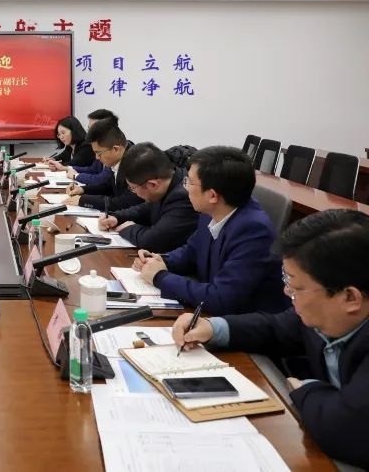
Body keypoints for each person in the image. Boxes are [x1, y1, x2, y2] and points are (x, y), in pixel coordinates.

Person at [171, 209, 369, 470]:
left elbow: (346, 430)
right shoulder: (326, 312)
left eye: (296, 287)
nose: (287, 292)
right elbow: (276, 327)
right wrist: (212, 327)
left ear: (350, 298)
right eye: (286, 280)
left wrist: (306, 390)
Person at [134, 146, 289, 315]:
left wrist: (159, 277)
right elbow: (192, 251)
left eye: (189, 182)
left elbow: (222, 298)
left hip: (245, 322)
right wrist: (161, 261)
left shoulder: (254, 231)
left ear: (213, 196)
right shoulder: (212, 211)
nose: (185, 187)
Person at [99, 142, 198, 253]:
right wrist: (117, 217)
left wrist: (127, 229)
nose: (133, 192)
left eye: (132, 188)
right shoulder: (169, 179)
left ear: (152, 185)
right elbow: (147, 207)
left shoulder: (184, 196)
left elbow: (153, 241)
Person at [64, 116, 142, 211]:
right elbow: (109, 187)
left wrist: (84, 200)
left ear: (115, 149)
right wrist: (83, 189)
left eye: (98, 153)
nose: (97, 158)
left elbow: (125, 202)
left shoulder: (137, 164)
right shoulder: (119, 157)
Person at [61, 109, 116, 187]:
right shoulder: (101, 147)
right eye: (89, 128)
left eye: (93, 129)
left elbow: (102, 180)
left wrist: (76, 176)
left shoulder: (114, 149)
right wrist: (67, 168)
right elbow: (93, 169)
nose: (89, 133)